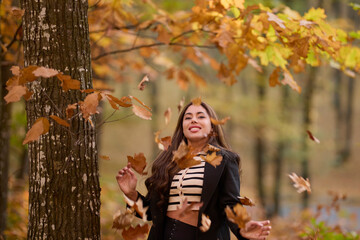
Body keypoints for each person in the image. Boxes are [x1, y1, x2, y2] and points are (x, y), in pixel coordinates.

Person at [116, 101, 271, 240]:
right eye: (188, 117)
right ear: (182, 127)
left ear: (212, 125)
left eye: (201, 116)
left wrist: (242, 227)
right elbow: (150, 213)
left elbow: (231, 204)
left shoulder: (225, 160)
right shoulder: (167, 161)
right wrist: (131, 194)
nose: (193, 120)